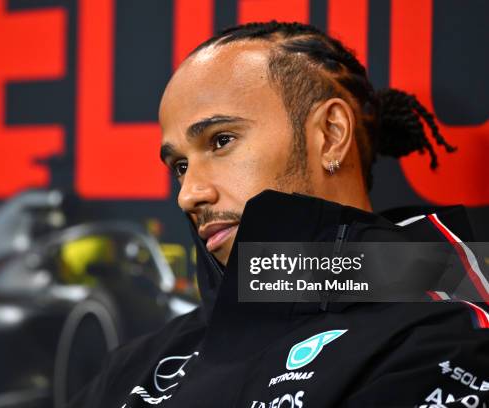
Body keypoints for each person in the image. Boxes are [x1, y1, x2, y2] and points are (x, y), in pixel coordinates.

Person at [69, 21, 489, 407]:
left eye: (221, 141)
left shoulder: (442, 332)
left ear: (330, 135)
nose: (189, 194)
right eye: (180, 166)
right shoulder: (139, 362)